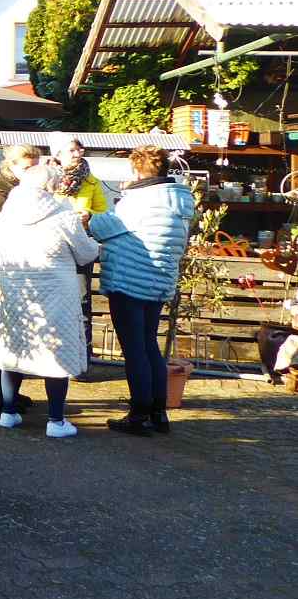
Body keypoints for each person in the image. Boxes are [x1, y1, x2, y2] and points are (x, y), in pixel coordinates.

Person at [86, 146, 195, 436]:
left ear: (136, 170)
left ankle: (138, 414)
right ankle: (159, 413)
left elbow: (105, 227)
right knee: (149, 345)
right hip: (159, 281)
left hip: (129, 280)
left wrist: (87, 216)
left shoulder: (139, 200)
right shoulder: (179, 198)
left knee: (134, 349)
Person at [0, 163, 100, 438]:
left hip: (17, 290)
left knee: (15, 349)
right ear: (51, 187)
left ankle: (8, 413)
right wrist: (98, 245)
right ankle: (56, 420)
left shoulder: (6, 216)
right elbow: (85, 254)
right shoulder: (64, 215)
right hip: (56, 293)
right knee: (56, 353)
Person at [0, 144, 42, 411]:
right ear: (10, 166)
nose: (32, 173)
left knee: (13, 332)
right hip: (0, 274)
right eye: (27, 168)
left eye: (35, 167)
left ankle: (7, 390)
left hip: (15, 273)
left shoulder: (18, 190)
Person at [48, 133, 108, 363]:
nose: (78, 154)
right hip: (53, 248)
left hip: (80, 249)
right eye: (72, 150)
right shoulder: (47, 179)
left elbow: (105, 214)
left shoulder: (91, 181)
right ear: (58, 155)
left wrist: (90, 216)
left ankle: (83, 358)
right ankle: (53, 355)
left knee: (82, 303)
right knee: (52, 300)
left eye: (80, 149)